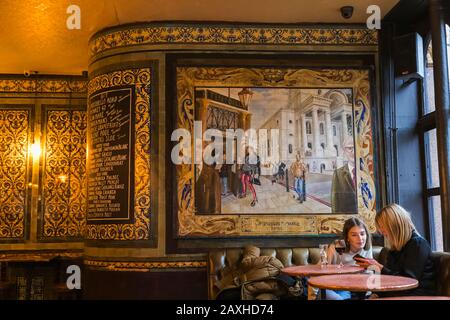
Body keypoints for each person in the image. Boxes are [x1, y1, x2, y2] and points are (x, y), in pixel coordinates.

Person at [354, 203, 436, 297]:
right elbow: (389, 279)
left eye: (382, 226)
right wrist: (376, 294)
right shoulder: (394, 249)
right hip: (397, 294)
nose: (380, 231)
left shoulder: (418, 244)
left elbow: (407, 283)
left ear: (394, 224)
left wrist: (380, 268)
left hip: (416, 296)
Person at [310, 217, 373, 300]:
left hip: (349, 291)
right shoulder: (336, 247)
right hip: (330, 288)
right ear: (347, 238)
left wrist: (369, 295)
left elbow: (369, 273)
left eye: (362, 234)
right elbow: (318, 271)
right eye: (354, 235)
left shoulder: (367, 249)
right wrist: (312, 296)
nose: (360, 238)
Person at [331, 136, 357, 213]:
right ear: (344, 151)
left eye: (355, 148)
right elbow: (335, 205)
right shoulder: (338, 174)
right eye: (350, 148)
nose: (353, 151)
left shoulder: (367, 172)